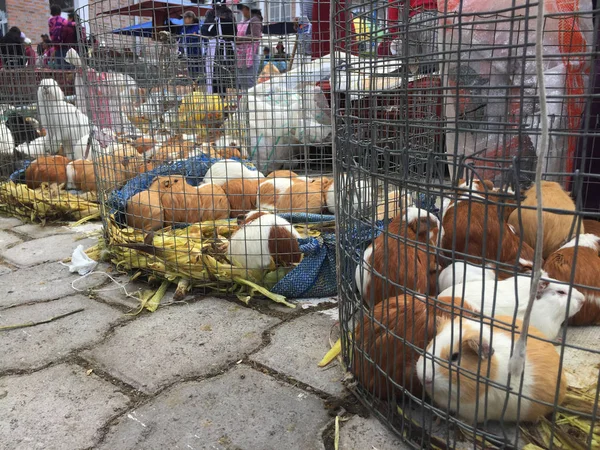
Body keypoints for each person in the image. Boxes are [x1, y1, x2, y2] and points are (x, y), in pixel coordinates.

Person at [201, 1, 236, 95]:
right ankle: (220, 97)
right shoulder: (229, 14)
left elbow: (205, 30)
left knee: (215, 74)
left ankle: (215, 97)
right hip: (226, 48)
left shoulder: (212, 13)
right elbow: (234, 32)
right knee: (221, 74)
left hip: (217, 47)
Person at [235, 1, 262, 90]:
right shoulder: (245, 21)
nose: (242, 12)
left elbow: (256, 36)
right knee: (242, 82)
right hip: (242, 55)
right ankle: (244, 102)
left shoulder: (255, 20)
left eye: (243, 9)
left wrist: (240, 39)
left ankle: (250, 103)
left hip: (251, 56)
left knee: (249, 82)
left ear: (247, 8)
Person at [179, 11, 202, 79]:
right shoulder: (184, 28)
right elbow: (181, 39)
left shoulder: (197, 27)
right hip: (188, 53)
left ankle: (198, 84)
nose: (184, 20)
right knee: (191, 70)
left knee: (197, 70)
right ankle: (193, 84)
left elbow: (200, 38)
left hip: (197, 52)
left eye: (185, 18)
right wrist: (180, 51)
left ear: (191, 18)